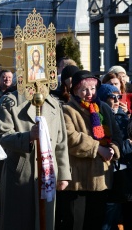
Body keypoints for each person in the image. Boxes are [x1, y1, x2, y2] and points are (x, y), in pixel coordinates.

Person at [0, 83, 71, 230]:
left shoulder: (53, 103)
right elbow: (1, 136)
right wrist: (28, 137)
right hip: (21, 172)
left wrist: (63, 174)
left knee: (45, 222)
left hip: (48, 174)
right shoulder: (10, 102)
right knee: (20, 222)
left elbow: (61, 142)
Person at [56, 70, 121, 230]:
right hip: (77, 182)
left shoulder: (103, 108)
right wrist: (98, 148)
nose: (89, 93)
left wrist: (113, 149)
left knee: (95, 223)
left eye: (92, 88)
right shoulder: (67, 110)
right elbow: (71, 138)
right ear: (75, 91)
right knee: (74, 224)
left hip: (100, 180)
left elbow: (117, 135)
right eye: (84, 89)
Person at [97, 84, 132, 229]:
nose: (117, 100)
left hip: (126, 177)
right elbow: (106, 145)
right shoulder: (98, 117)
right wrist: (127, 144)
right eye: (113, 97)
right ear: (104, 99)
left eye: (119, 96)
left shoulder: (124, 117)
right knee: (108, 219)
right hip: (108, 174)